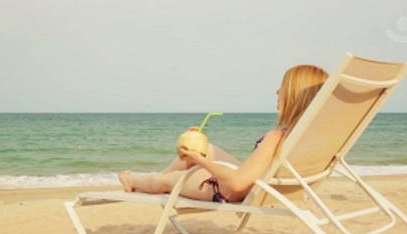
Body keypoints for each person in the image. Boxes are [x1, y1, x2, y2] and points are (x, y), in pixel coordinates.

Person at [118, 65, 328, 203]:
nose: (277, 92)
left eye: (282, 88)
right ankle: (153, 178)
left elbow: (237, 183)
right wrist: (201, 155)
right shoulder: (311, 136)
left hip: (230, 190)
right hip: (254, 183)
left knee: (171, 180)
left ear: (294, 97)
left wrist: (198, 161)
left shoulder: (277, 136)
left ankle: (134, 180)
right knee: (206, 148)